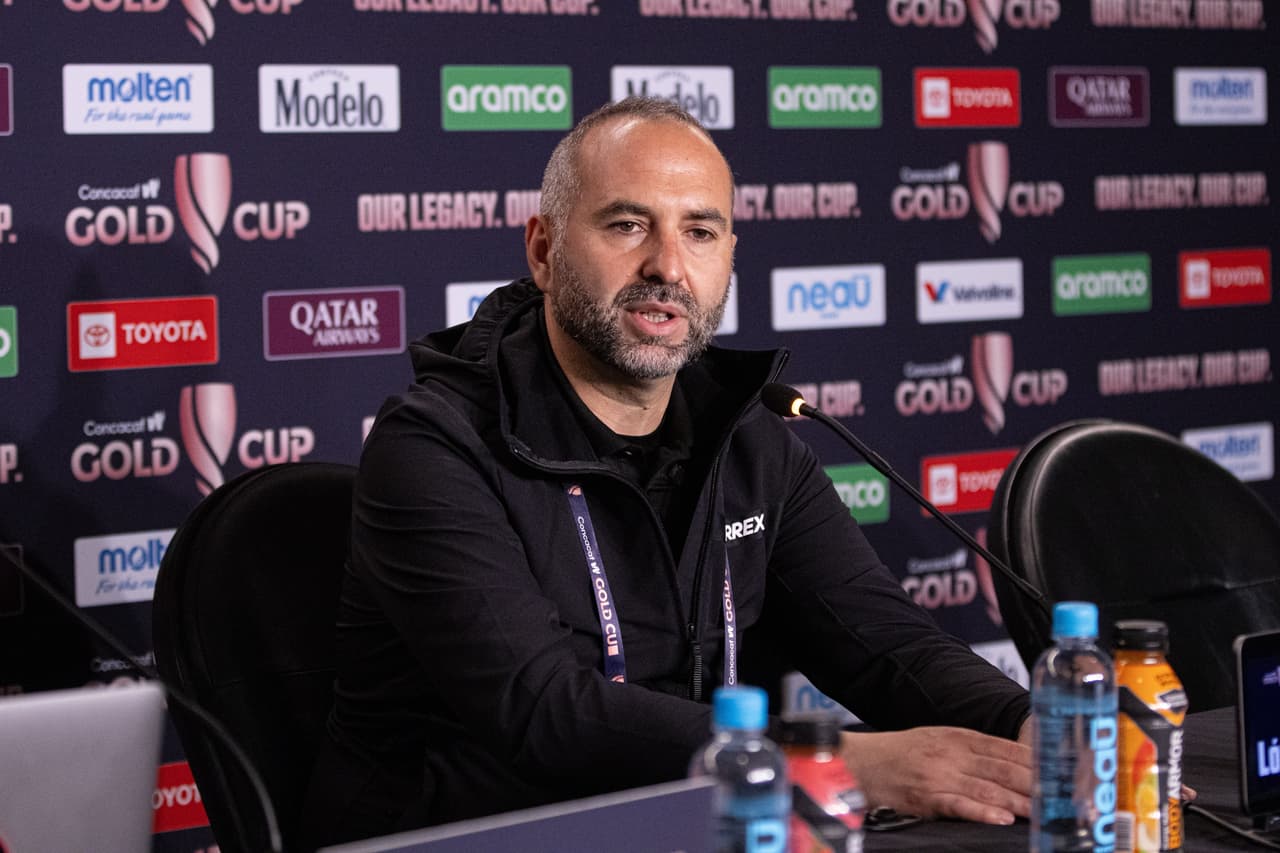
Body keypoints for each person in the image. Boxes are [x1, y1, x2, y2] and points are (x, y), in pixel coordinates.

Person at [303, 96, 1032, 847]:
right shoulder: (435, 444)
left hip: (686, 824)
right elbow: (545, 710)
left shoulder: (751, 437)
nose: (668, 266)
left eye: (701, 231)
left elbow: (887, 644)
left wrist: (1030, 724)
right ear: (544, 251)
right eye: (627, 225)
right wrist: (840, 761)